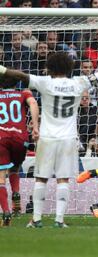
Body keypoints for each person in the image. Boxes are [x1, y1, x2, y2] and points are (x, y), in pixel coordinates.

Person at [0, 52, 98, 228]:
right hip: (68, 138)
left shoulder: (44, 82)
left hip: (47, 137)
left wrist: (2, 69)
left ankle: (36, 219)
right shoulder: (78, 82)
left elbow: (19, 75)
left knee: (41, 178)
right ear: (70, 68)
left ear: (50, 68)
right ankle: (59, 220)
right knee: (63, 179)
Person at [0, 76, 39, 226]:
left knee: (1, 178)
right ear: (16, 83)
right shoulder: (24, 94)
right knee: (15, 167)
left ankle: (6, 212)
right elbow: (34, 103)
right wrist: (35, 127)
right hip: (20, 138)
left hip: (1, 138)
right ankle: (16, 192)